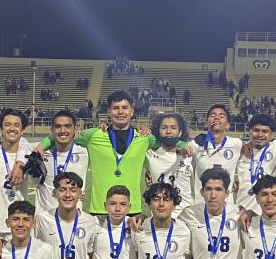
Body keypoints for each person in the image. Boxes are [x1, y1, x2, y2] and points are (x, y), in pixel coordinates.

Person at [35, 90, 183, 217]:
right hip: (100, 209)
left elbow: (169, 139)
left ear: (132, 111)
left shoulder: (144, 138)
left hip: (132, 210)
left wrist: (184, 145)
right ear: (108, 112)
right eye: (115, 108)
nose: (120, 112)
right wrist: (42, 145)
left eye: (125, 108)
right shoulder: (93, 135)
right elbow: (64, 133)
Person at [19, 110, 89, 222]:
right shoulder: (39, 152)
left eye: (67, 126)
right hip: (44, 219)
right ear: (52, 130)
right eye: (58, 126)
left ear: (75, 129)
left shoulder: (85, 152)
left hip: (73, 218)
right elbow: (17, 142)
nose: (63, 130)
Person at [0, 109, 34, 241]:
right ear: (0, 128)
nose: (12, 129)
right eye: (7, 125)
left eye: (17, 125)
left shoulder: (29, 156)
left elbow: (39, 145)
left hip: (19, 227)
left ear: (22, 130)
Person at [232, 114, 276, 219]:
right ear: (249, 132)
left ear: (272, 134)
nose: (260, 135)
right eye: (256, 130)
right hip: (241, 212)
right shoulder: (241, 150)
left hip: (267, 213)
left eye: (265, 131)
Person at [191, 104, 241, 204]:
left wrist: (238, 180)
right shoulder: (195, 145)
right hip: (201, 205)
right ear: (206, 123)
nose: (217, 117)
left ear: (228, 125)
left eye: (222, 116)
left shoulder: (237, 144)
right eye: (213, 115)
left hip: (226, 207)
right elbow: (177, 148)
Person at [144, 112, 194, 211]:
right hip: (159, 215)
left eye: (173, 128)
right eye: (164, 128)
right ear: (158, 132)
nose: (168, 131)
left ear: (180, 132)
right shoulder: (149, 155)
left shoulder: (190, 155)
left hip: (187, 216)